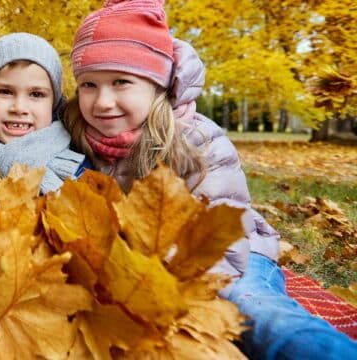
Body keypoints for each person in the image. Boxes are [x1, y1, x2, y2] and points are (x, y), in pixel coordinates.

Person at [63, 0, 357, 359]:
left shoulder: (197, 140)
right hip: (138, 272)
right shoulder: (77, 136)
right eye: (89, 85)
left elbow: (223, 242)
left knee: (258, 317)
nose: (103, 101)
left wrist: (158, 285)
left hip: (229, 261)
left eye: (121, 82)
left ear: (157, 84)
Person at [0, 32, 86, 193]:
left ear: (52, 106)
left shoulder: (79, 165)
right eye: (5, 92)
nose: (19, 108)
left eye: (36, 94)